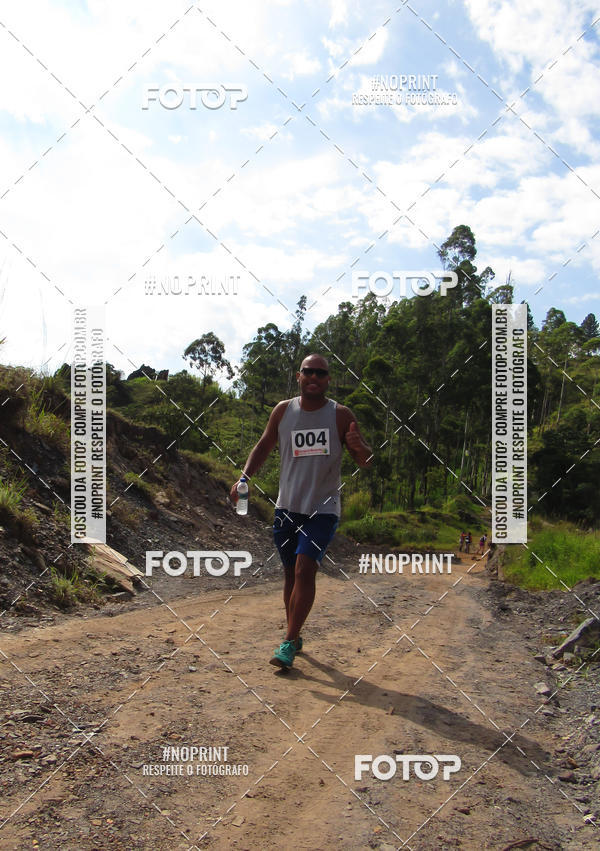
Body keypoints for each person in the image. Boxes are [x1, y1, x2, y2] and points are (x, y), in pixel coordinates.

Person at [230, 354, 372, 671]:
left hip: (323, 511)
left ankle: (289, 641)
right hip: (286, 508)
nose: (314, 377)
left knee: (304, 570)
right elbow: (264, 445)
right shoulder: (283, 411)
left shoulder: (340, 415)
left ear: (328, 379)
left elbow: (364, 459)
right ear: (299, 375)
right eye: (309, 371)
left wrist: (358, 446)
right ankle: (293, 635)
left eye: (321, 373)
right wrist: (244, 478)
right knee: (290, 575)